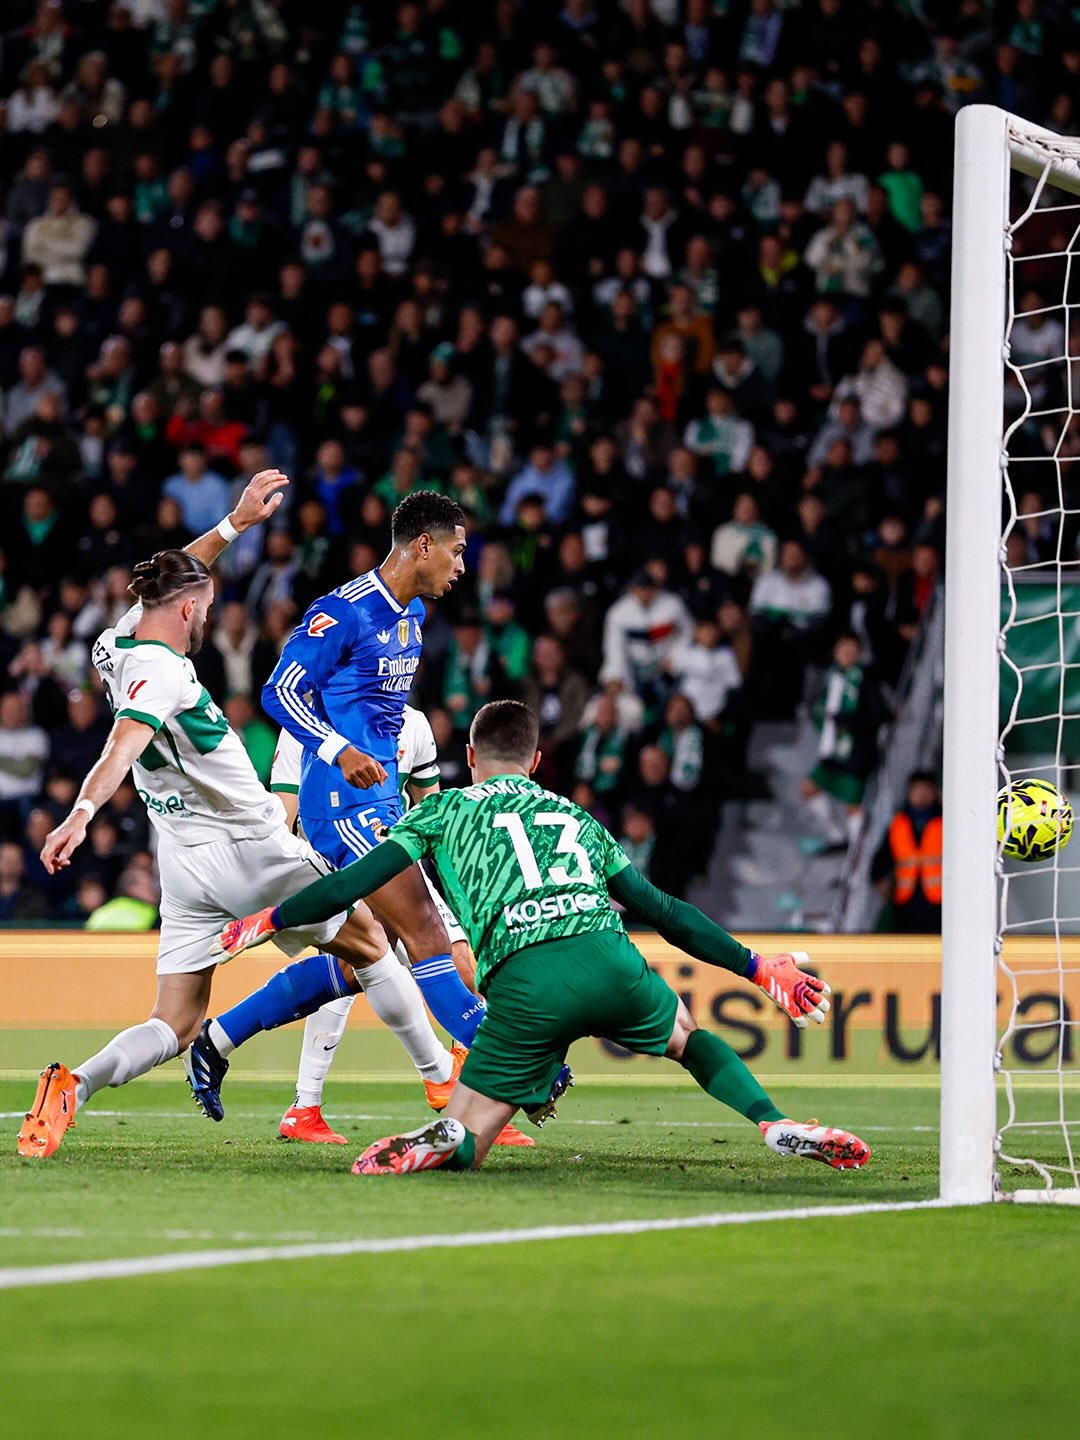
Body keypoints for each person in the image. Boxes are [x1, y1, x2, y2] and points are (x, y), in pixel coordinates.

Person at [215, 701, 870, 1177]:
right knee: (688, 1036)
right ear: (535, 760)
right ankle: (771, 1120)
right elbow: (664, 910)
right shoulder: (573, 815)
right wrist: (756, 967)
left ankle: (445, 1140)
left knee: (470, 1134)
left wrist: (269, 921)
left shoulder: (439, 811)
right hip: (610, 961)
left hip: (526, 987)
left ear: (469, 758)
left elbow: (348, 886)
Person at [18, 474, 456, 1160]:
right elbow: (121, 744)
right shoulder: (165, 676)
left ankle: (72, 1086)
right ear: (190, 613)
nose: (208, 620)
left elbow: (165, 584)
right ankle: (445, 1087)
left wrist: (233, 525)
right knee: (375, 943)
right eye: (208, 608)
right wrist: (80, 812)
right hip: (249, 847)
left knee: (175, 1021)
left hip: (183, 865)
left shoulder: (114, 643)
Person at [189, 493, 486, 1121]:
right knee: (425, 935)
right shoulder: (343, 611)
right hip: (343, 805)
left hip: (380, 803)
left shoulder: (412, 618)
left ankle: (218, 1041)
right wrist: (338, 749)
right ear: (423, 546)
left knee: (364, 956)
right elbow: (280, 690)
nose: (463, 566)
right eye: (456, 551)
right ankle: (503, 1062)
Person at [268, 711, 537, 1149]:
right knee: (353, 966)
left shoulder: (414, 724)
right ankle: (307, 1105)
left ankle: (466, 1096)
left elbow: (432, 807)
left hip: (398, 862)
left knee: (463, 966)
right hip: (338, 858)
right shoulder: (310, 722)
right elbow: (284, 811)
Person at [871, 771, 943, 934]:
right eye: (917, 790)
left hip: (938, 901)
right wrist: (878, 878)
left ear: (935, 793)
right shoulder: (899, 823)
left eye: (926, 790)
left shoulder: (946, 822)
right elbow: (883, 856)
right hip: (906, 900)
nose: (922, 795)